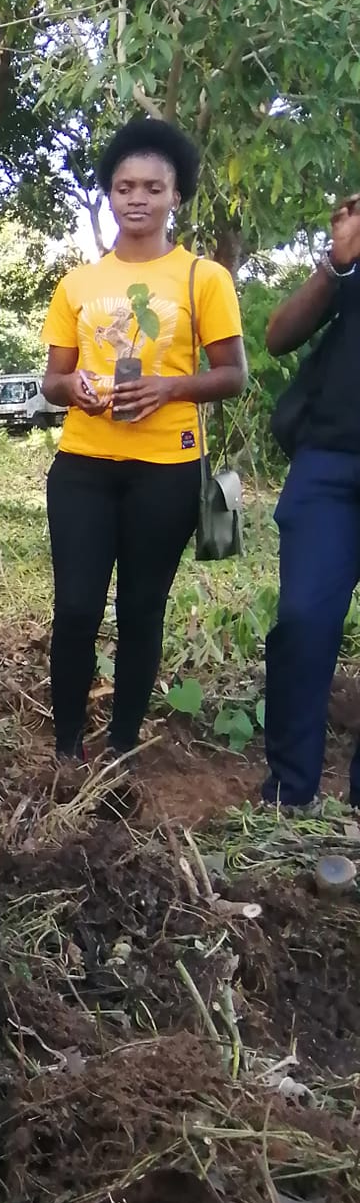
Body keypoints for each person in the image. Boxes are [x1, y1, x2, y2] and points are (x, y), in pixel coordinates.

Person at [40, 116, 246, 762]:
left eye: (153, 188)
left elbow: (233, 374)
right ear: (109, 193)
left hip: (167, 469)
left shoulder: (203, 278)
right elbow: (52, 380)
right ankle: (67, 748)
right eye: (125, 187)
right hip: (82, 465)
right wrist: (73, 388)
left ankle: (122, 743)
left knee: (141, 609)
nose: (137, 199)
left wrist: (168, 388)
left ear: (176, 195)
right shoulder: (78, 283)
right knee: (76, 608)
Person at [261, 193, 360, 808]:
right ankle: (290, 791)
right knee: (303, 620)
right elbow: (278, 337)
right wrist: (336, 263)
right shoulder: (353, 253)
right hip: (330, 461)